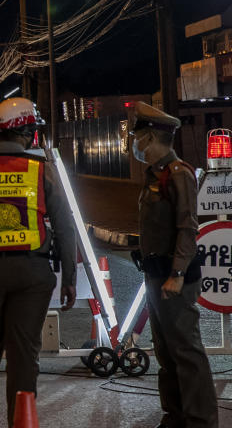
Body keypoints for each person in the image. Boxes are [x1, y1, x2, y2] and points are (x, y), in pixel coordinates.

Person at [0, 98, 76, 427]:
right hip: (32, 275)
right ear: (27, 131)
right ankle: (20, 422)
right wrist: (69, 276)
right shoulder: (41, 169)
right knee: (23, 354)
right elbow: (65, 227)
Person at [130, 101, 217, 428]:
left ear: (151, 138)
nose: (136, 145)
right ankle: (175, 416)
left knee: (186, 352)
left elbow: (187, 228)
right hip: (155, 274)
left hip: (173, 275)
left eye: (139, 138)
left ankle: (200, 420)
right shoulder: (155, 175)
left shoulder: (179, 174)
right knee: (166, 352)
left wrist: (178, 274)